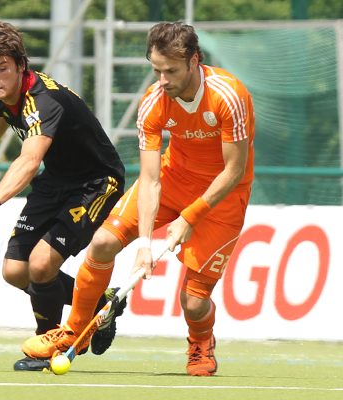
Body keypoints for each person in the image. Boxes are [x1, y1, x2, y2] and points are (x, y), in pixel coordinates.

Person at [22, 21, 255, 377]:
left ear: (195, 61)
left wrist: (190, 216)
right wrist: (145, 244)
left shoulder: (229, 96)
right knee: (102, 242)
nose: (163, 80)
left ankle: (200, 342)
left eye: (171, 71)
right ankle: (75, 333)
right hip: (174, 180)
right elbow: (149, 179)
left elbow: (234, 171)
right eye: (157, 70)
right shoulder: (153, 101)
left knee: (194, 303)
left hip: (223, 195)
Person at [0, 21, 126, 371]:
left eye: (2, 68)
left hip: (95, 183)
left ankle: (47, 345)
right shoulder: (6, 91)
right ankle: (100, 305)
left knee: (41, 264)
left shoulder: (44, 101)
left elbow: (30, 160)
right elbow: (0, 114)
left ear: (21, 65)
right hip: (57, 181)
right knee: (16, 271)